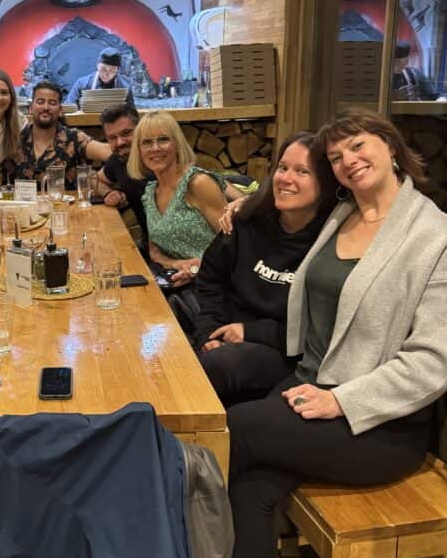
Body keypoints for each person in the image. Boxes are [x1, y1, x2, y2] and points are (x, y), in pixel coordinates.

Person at [217, 109, 447, 558]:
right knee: (254, 482)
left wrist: (342, 401)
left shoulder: (434, 236)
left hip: (380, 425)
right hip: (307, 388)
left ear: (391, 147)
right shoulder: (342, 213)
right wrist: (240, 204)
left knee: (230, 432)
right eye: (338, 156)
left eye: (358, 146)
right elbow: (281, 203)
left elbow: (433, 362)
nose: (347, 161)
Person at [192, 132, 336, 406]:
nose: (286, 179)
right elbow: (210, 281)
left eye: (302, 171)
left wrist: (251, 331)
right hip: (224, 336)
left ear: (326, 183)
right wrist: (208, 334)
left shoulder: (334, 242)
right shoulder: (245, 221)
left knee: (219, 366)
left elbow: (323, 328)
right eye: (282, 168)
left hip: (286, 351)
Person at [127, 111, 227, 288]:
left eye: (163, 139)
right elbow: (155, 252)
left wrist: (197, 269)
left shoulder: (197, 183)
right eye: (147, 142)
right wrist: (177, 264)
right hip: (178, 283)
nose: (155, 148)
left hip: (218, 284)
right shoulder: (149, 194)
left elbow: (234, 244)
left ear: (177, 144)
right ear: (139, 151)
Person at [12, 80, 111, 190]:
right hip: (20, 206)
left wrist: (100, 178)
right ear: (30, 108)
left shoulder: (74, 138)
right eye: (40, 102)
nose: (46, 107)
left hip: (63, 206)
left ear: (60, 110)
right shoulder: (16, 140)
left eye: (52, 103)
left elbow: (110, 152)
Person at [93, 103, 151, 245]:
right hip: (149, 244)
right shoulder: (118, 161)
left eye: (126, 133)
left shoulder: (158, 159)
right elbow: (95, 180)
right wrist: (108, 193)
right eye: (112, 137)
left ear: (140, 130)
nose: (119, 142)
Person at [66, 49, 134, 106]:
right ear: (97, 66)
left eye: (112, 70)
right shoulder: (82, 83)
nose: (107, 74)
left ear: (118, 70)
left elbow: (131, 114)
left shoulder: (125, 87)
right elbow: (69, 109)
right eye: (103, 69)